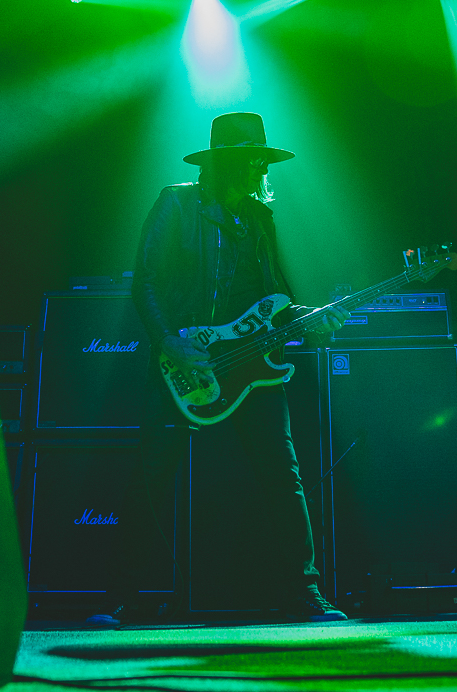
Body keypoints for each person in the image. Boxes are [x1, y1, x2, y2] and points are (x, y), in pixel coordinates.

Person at [98, 112, 350, 625]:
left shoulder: (261, 222)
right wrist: (168, 341)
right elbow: (145, 279)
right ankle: (121, 598)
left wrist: (312, 319)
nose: (256, 167)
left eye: (260, 158)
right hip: (184, 362)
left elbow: (274, 299)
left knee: (284, 474)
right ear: (220, 162)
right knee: (151, 474)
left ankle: (305, 594)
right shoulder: (177, 203)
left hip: (251, 366)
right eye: (245, 158)